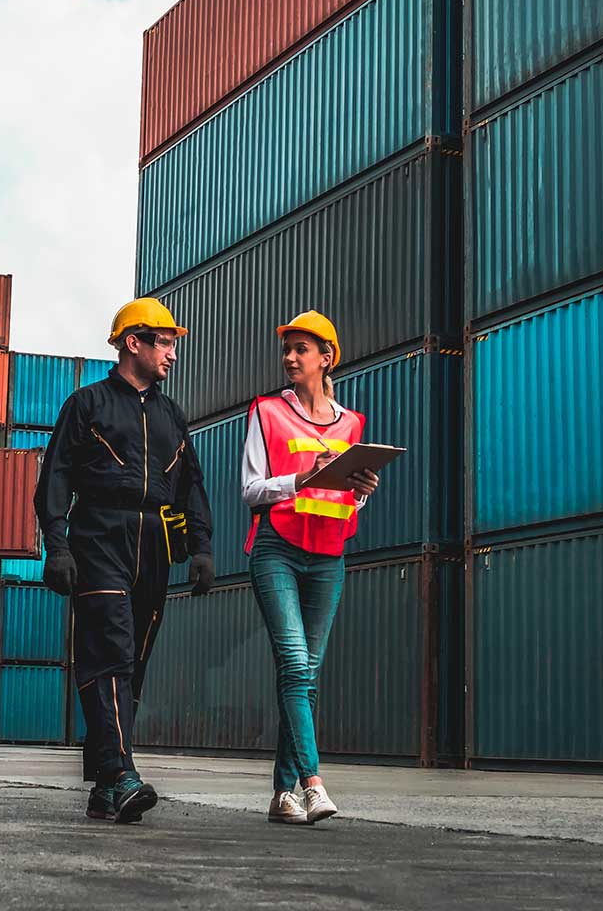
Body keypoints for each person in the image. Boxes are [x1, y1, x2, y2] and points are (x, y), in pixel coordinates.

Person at [35, 297, 214, 824]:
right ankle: (122, 775)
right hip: (99, 537)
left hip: (153, 544)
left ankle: (104, 786)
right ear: (132, 342)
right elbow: (56, 477)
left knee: (131, 667)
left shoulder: (170, 415)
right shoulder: (87, 404)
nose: (174, 354)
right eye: (166, 342)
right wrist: (58, 545)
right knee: (108, 654)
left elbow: (191, 485)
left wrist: (200, 547)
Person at [241, 311, 378, 825]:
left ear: (327, 358)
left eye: (301, 349)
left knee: (303, 677)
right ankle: (313, 783)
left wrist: (360, 493)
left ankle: (281, 794)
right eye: (287, 349)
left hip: (329, 555)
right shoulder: (266, 412)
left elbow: (343, 498)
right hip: (276, 547)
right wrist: (298, 478)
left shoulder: (352, 424)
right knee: (296, 666)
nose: (290, 357)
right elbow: (251, 490)